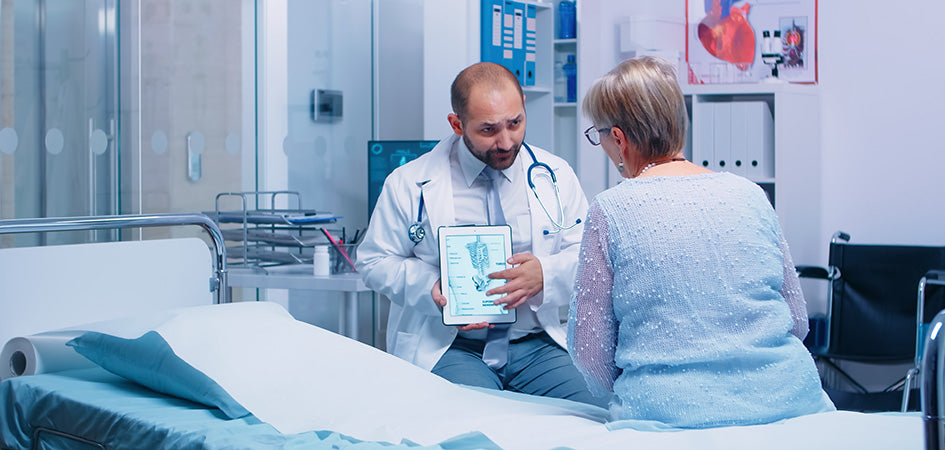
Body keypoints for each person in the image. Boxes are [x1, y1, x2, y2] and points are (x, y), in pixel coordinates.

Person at [568, 56, 834, 429]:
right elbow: (797, 321)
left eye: (598, 136)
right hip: (792, 404)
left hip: (664, 416)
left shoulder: (611, 209)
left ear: (618, 139)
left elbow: (590, 354)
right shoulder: (751, 194)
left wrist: (642, 383)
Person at [357, 62, 604, 406]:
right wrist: (430, 287)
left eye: (515, 123)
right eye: (488, 130)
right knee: (475, 423)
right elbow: (373, 261)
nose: (505, 141)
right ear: (457, 124)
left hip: (536, 345)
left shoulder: (555, 175)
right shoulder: (409, 183)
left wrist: (544, 275)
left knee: (596, 413)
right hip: (453, 347)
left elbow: (589, 257)